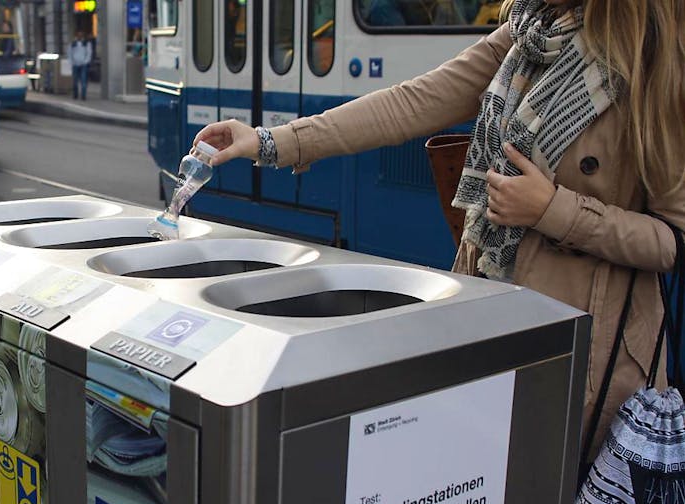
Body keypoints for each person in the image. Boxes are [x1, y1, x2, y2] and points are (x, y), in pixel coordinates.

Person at [195, 0, 685, 461]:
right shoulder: (527, 34)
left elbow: (672, 240)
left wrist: (554, 210)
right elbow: (412, 102)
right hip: (490, 311)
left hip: (586, 356)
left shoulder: (657, 61)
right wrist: (271, 141)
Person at [68, 31, 92, 100]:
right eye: (78, 35)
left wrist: (86, 61)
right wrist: (71, 62)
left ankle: (83, 95)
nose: (79, 36)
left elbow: (89, 53)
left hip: (83, 64)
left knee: (83, 80)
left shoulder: (86, 43)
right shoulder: (73, 44)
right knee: (75, 81)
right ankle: (75, 94)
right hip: (75, 64)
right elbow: (69, 53)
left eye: (81, 35)